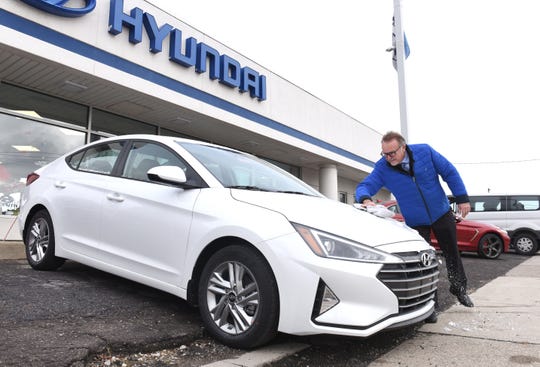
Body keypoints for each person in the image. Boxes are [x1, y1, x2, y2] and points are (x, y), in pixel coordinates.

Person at [355, 131, 474, 323]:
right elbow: (365, 185)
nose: (388, 158)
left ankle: (459, 288)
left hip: (441, 212)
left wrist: (462, 198)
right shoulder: (383, 168)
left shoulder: (424, 152)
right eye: (384, 154)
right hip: (416, 221)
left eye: (392, 153)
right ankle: (429, 306)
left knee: (452, 252)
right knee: (423, 263)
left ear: (403, 147)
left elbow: (449, 172)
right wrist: (366, 199)